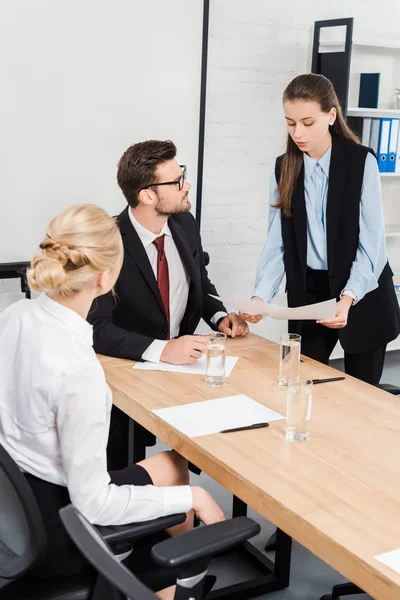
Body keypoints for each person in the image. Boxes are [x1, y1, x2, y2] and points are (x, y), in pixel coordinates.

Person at [0, 204, 224, 599]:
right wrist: (196, 496)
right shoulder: (77, 371)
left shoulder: (16, 315)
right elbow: (96, 504)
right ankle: (167, 582)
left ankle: (174, 569)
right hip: (58, 537)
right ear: (104, 278)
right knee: (190, 495)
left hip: (15, 510)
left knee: (173, 464)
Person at [88, 140, 248, 470]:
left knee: (231, 424)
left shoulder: (184, 224)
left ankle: (181, 503)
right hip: (126, 378)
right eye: (176, 182)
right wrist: (162, 350)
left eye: (183, 175)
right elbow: (96, 330)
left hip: (183, 371)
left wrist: (219, 316)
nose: (186, 185)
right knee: (122, 468)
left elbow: (198, 281)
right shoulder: (107, 242)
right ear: (147, 195)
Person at [245, 73, 400, 386]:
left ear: (331, 116)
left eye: (307, 122)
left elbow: (371, 244)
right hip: (310, 293)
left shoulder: (360, 162)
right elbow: (278, 241)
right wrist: (261, 296)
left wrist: (348, 298)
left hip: (362, 291)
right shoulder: (284, 166)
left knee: (362, 396)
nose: (298, 133)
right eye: (290, 123)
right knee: (298, 383)